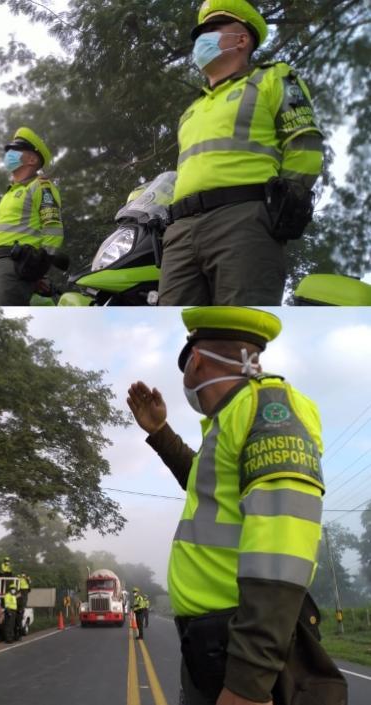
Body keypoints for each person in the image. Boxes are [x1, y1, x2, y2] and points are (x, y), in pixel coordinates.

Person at [125, 306, 346, 705]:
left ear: (195, 360)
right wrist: (160, 432)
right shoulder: (228, 418)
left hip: (242, 642)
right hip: (213, 643)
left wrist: (248, 681)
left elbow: (283, 550)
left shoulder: (267, 409)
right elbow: (207, 486)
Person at [159, 1, 325, 306]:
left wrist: (280, 208)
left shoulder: (273, 78)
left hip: (243, 220)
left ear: (241, 39)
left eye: (214, 29)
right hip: (180, 231)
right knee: (176, 326)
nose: (202, 38)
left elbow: (305, 145)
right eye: (200, 33)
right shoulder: (192, 110)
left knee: (239, 323)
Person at [0, 127, 63, 306]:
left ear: (32, 159)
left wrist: (39, 268)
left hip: (13, 265)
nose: (9, 154)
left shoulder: (41, 186)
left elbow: (53, 228)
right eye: (9, 150)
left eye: (15, 150)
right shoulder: (10, 192)